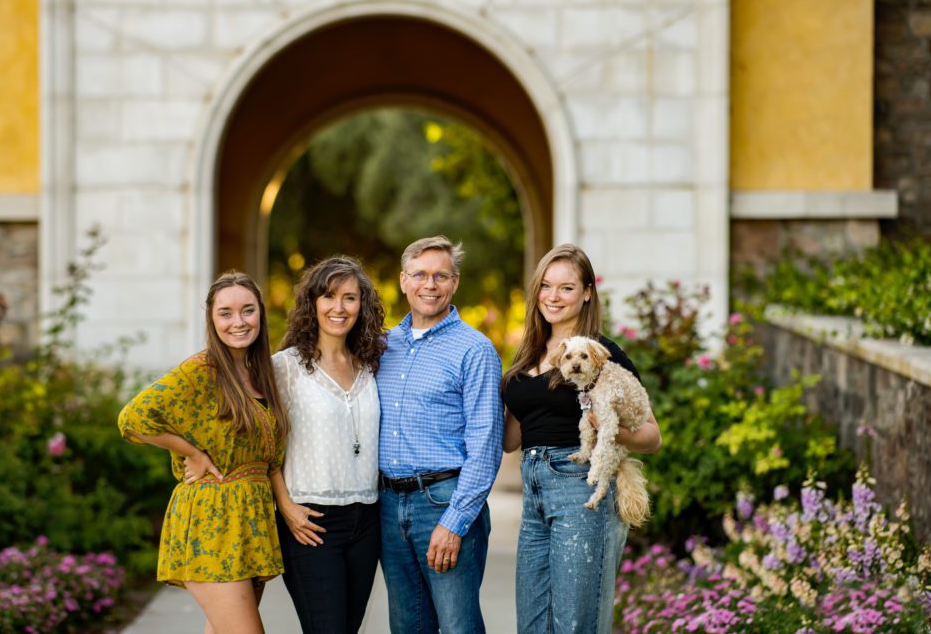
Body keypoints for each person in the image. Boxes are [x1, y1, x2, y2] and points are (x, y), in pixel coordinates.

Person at [502, 244, 662, 634]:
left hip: (581, 485)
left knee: (576, 625)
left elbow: (652, 436)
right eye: (546, 286)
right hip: (534, 487)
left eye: (566, 288)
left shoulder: (600, 355)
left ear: (587, 292)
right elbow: (510, 440)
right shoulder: (528, 354)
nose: (553, 297)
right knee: (533, 625)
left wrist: (608, 428)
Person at [118, 270, 289, 634]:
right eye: (225, 313)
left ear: (260, 312)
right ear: (212, 319)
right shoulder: (202, 370)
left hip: (249, 524)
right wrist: (191, 452)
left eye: (247, 310)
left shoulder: (262, 374)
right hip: (210, 522)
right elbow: (132, 418)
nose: (238, 322)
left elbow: (271, 457)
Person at [376, 235, 504, 634]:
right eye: (420, 275)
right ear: (403, 280)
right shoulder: (381, 345)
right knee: (407, 625)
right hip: (387, 504)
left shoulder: (475, 350)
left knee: (457, 626)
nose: (429, 285)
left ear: (455, 283)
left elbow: (486, 444)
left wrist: (455, 521)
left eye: (440, 276)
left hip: (444, 502)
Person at [269, 256, 386, 633]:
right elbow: (260, 443)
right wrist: (285, 506)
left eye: (350, 298)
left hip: (367, 519)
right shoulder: (284, 367)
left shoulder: (371, 364)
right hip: (310, 520)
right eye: (329, 296)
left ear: (361, 305)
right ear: (312, 303)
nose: (339, 307)